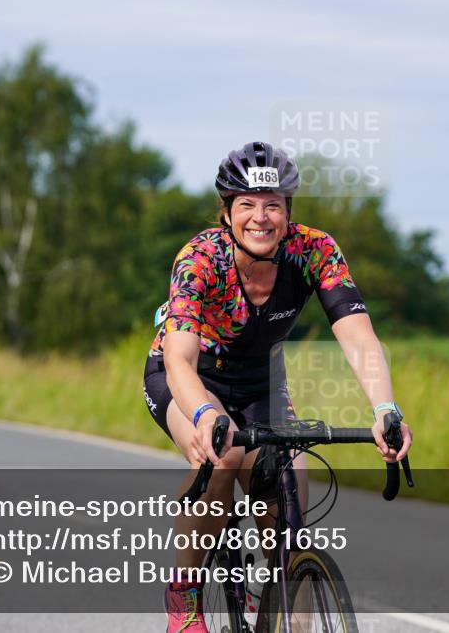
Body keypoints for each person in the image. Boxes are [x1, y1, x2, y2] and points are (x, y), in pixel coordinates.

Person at [142, 141, 412, 632]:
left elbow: (358, 338)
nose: (261, 217)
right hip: (189, 379)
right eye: (247, 204)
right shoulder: (200, 258)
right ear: (226, 212)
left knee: (287, 513)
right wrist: (205, 415)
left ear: (288, 210)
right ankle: (185, 596)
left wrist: (385, 409)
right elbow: (180, 359)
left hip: (260, 382)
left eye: (273, 205)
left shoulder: (315, 250)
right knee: (222, 457)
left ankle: (287, 617)